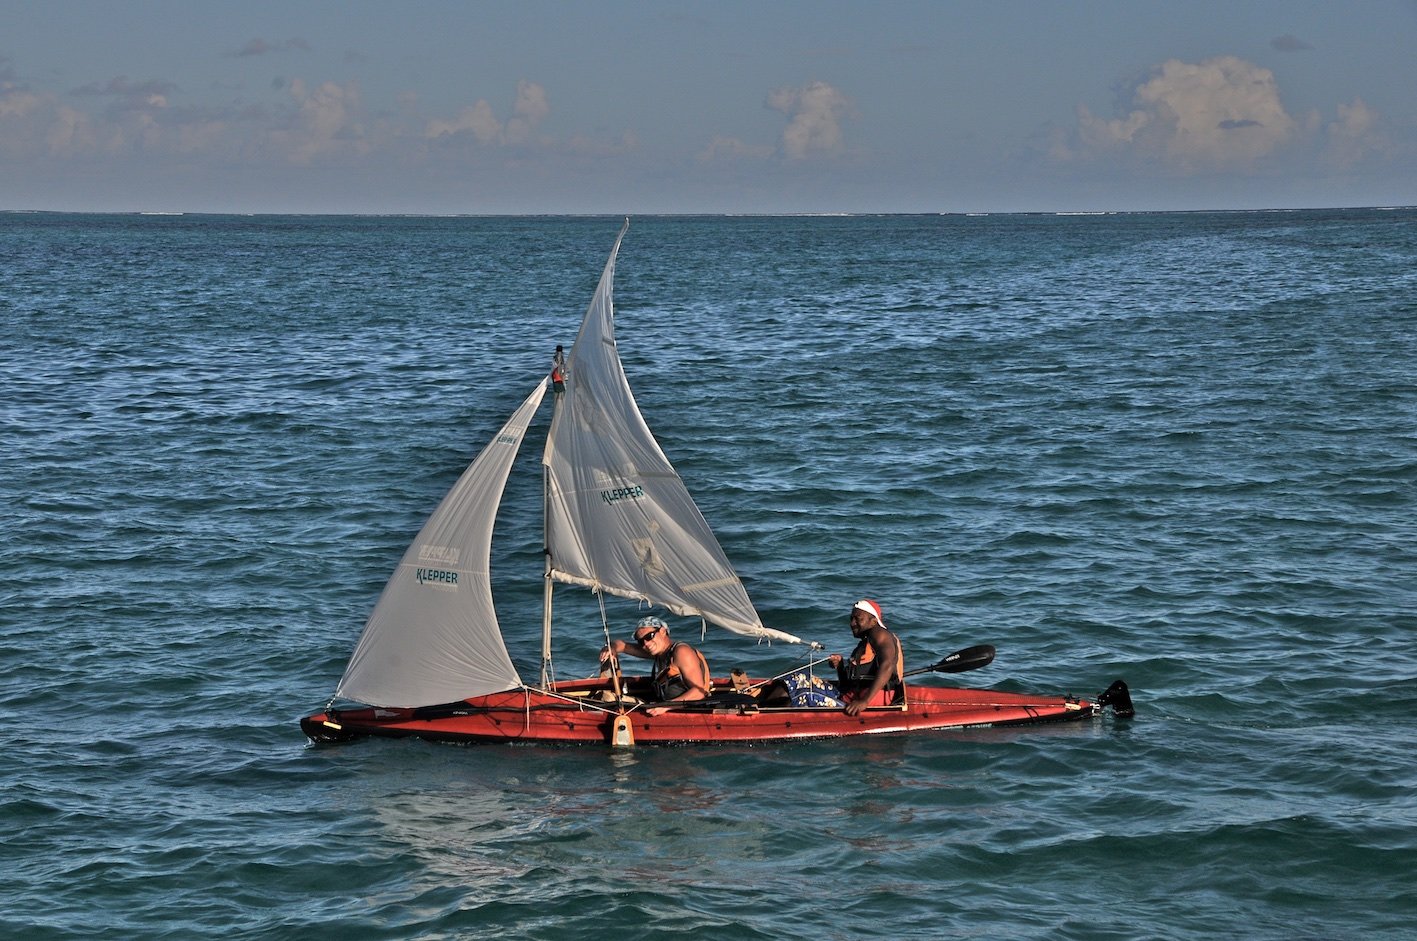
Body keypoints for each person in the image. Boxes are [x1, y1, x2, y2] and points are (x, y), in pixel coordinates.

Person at [774, 599, 904, 715]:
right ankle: (762, 707)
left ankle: (768, 718)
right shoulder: (864, 645)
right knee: (798, 678)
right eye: (851, 618)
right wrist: (840, 667)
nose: (852, 623)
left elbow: (888, 664)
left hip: (869, 702)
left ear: (873, 621)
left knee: (805, 695)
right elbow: (848, 685)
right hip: (850, 698)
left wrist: (864, 701)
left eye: (858, 619)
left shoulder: (879, 633)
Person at [600, 616, 711, 716]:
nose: (646, 644)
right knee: (609, 699)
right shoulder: (659, 653)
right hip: (669, 709)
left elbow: (699, 692)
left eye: (649, 636)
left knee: (612, 703)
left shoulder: (681, 652)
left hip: (692, 712)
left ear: (663, 631)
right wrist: (611, 649)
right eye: (641, 642)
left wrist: (665, 706)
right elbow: (622, 645)